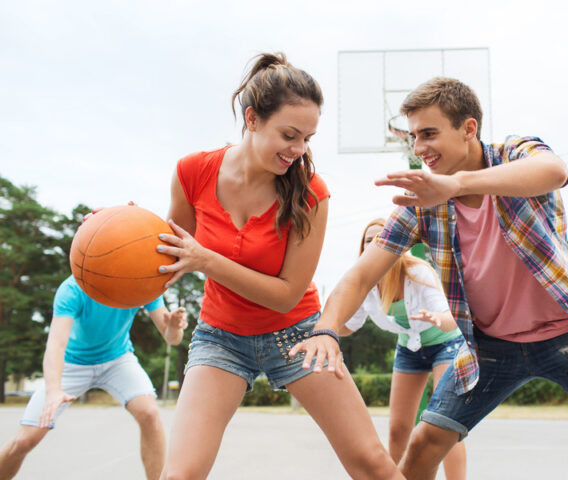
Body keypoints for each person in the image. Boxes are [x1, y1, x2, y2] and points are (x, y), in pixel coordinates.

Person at [291, 77, 568, 479]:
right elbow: (359, 277)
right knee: (424, 443)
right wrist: (326, 329)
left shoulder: (514, 153)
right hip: (491, 348)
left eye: (429, 134)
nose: (419, 148)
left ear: (468, 129)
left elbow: (553, 171)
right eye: (414, 137)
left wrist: (457, 184)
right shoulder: (422, 204)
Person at [155, 53, 402, 480]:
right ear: (252, 119)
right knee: (180, 474)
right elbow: (169, 251)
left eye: (307, 138)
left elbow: (287, 292)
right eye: (289, 135)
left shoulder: (310, 193)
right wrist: (113, 230)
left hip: (299, 334)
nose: (298, 150)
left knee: (372, 464)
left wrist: (206, 259)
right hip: (221, 337)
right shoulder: (192, 172)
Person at [0, 275, 187, 480]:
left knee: (150, 413)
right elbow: (56, 344)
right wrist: (53, 390)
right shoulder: (73, 288)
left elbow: (172, 339)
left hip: (118, 359)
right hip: (72, 364)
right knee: (24, 441)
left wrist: (173, 327)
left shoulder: (142, 282)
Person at [342, 218, 466, 479]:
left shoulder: (417, 272)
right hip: (410, 348)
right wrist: (317, 330)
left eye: (381, 237)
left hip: (447, 342)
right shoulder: (364, 282)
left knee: (445, 423)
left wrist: (435, 319)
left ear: (395, 243)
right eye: (368, 240)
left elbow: (450, 317)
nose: (375, 244)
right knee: (398, 428)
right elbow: (349, 325)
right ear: (362, 249)